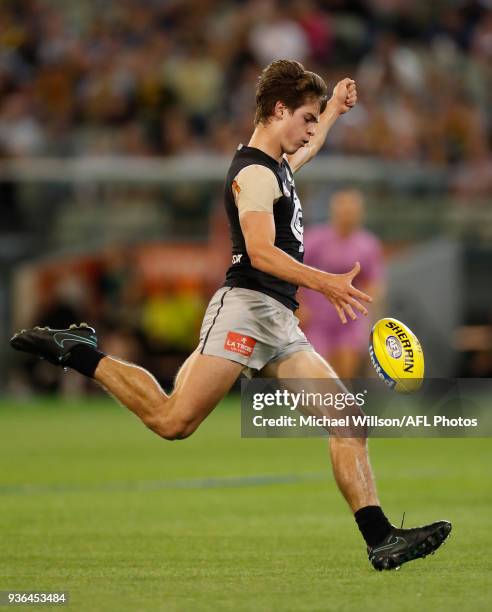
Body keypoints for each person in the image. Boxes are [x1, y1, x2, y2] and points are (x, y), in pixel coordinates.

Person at [10, 60, 451, 571]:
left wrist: (331, 112)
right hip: (244, 311)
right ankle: (83, 353)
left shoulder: (277, 165)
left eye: (314, 120)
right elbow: (261, 253)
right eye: (304, 117)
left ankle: (380, 539)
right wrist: (326, 282)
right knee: (173, 421)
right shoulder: (253, 173)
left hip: (280, 321)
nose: (309, 131)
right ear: (278, 109)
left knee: (348, 420)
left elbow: (308, 150)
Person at [300, 189, 385, 378]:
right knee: (320, 374)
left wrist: (371, 316)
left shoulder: (368, 244)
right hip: (317, 319)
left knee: (346, 375)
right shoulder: (315, 239)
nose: (347, 215)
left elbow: (373, 283)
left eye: (352, 210)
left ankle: (342, 407)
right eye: (343, 209)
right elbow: (296, 272)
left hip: (350, 319)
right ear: (333, 211)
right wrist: (299, 306)